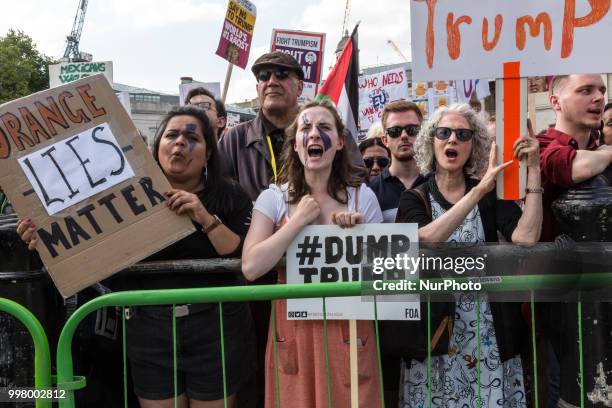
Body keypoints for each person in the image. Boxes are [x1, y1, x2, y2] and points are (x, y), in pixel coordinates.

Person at [17, 106, 256, 408]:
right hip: (148, 329)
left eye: (192, 137)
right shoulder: (120, 197)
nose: (180, 142)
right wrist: (45, 240)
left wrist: (203, 216)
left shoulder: (230, 196)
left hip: (216, 327)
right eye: (172, 135)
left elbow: (237, 251)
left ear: (209, 152)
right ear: (157, 149)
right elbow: (88, 254)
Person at [395, 103, 542, 408]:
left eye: (463, 134)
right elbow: (426, 238)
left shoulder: (489, 193)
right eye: (444, 133)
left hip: (487, 334)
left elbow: (526, 237)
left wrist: (535, 172)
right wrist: (477, 192)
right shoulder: (414, 197)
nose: (452, 140)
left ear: (473, 145)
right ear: (430, 141)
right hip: (435, 336)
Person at [241, 100, 383, 407]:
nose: (314, 134)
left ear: (341, 141)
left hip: (350, 332)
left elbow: (386, 278)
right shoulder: (273, 198)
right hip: (295, 333)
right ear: (295, 143)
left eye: (325, 127)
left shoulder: (363, 197)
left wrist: (362, 236)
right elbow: (251, 266)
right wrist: (296, 223)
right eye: (305, 128)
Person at [537, 74, 609, 408]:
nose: (598, 97)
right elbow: (570, 168)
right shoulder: (538, 145)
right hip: (557, 306)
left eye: (602, 90)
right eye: (586, 90)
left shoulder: (600, 148)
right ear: (555, 101)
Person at [219, 51, 366, 202]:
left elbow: (357, 183)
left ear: (300, 87)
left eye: (281, 74)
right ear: (258, 89)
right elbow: (219, 193)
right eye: (264, 76)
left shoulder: (334, 133)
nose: (272, 82)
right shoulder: (235, 139)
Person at [370, 100, 426, 223]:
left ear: (422, 134)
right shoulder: (371, 191)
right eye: (395, 131)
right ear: (385, 140)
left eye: (412, 129)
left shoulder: (438, 182)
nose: (404, 135)